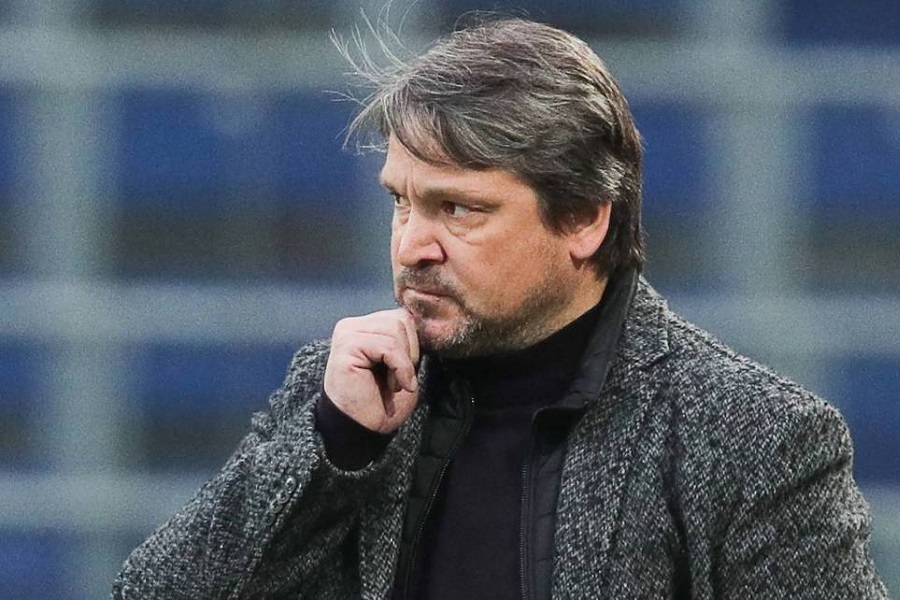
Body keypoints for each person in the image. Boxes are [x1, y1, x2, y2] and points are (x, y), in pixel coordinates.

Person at [112, 16, 888, 600]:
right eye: (401, 202)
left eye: (458, 209)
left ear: (584, 219)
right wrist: (334, 448)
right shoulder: (344, 396)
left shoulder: (752, 437)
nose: (412, 245)